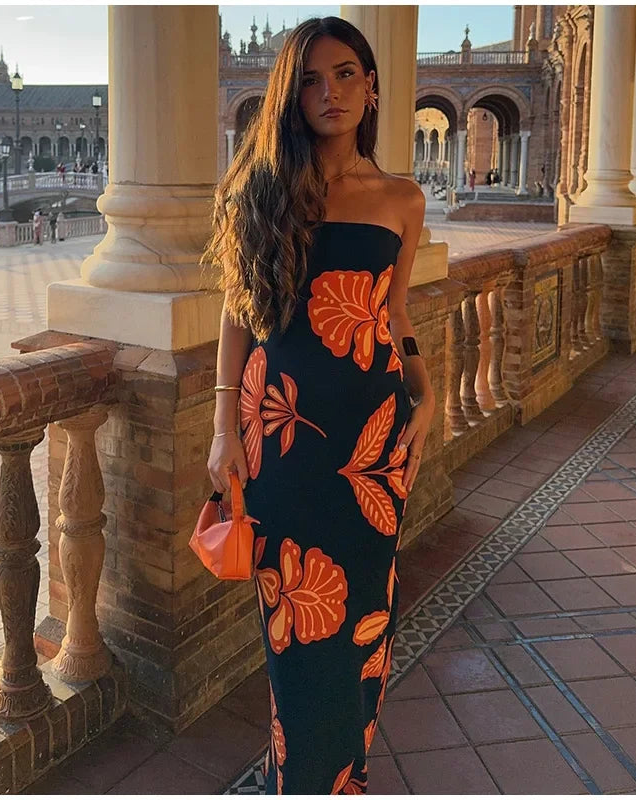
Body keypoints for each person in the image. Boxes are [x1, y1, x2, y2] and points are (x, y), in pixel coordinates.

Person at [202, 16, 434, 795]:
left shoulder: (403, 197)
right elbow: (238, 313)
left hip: (373, 444)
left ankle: (345, 774)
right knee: (296, 624)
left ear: (371, 87)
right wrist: (222, 428)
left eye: (344, 75)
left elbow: (393, 313)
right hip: (284, 439)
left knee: (366, 617)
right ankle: (303, 780)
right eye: (308, 79)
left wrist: (424, 390)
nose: (327, 92)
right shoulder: (259, 185)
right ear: (289, 96)